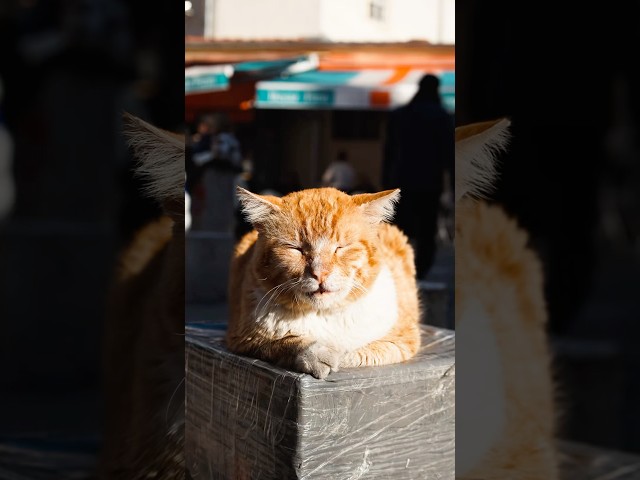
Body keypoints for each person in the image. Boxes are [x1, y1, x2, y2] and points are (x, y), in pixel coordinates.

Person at [383, 74, 454, 279]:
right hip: (430, 183)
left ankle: (398, 266)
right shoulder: (442, 117)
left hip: (400, 181)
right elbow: (450, 156)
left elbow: (388, 154)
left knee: (400, 228)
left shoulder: (399, 115)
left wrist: (385, 183)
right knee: (426, 231)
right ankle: (419, 272)